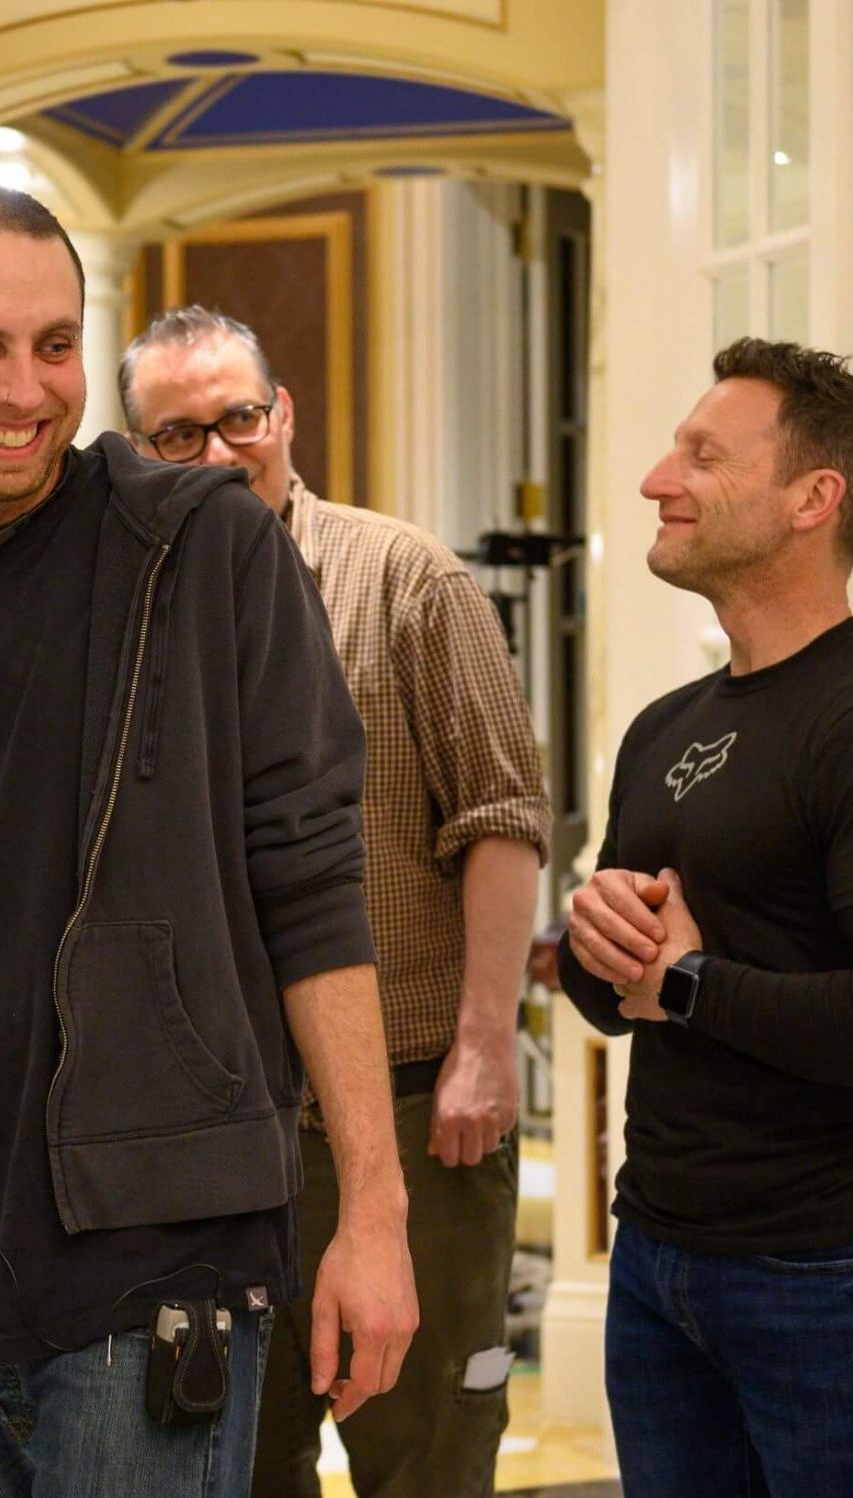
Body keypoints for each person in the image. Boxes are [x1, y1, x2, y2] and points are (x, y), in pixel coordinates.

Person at [0, 182, 420, 1497]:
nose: (26, 389)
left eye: (55, 345)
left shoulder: (201, 548)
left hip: (162, 1257)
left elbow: (312, 881)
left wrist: (373, 1214)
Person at [121, 306, 551, 1498]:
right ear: (135, 449)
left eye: (237, 419)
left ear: (283, 415)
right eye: (176, 435)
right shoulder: (128, 616)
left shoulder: (403, 578)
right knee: (233, 1462)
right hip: (214, 1137)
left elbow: (503, 815)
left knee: (430, 1451)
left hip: (412, 1110)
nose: (216, 453)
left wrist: (484, 1049)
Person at [559, 338, 853, 1498]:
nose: (656, 479)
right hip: (657, 1264)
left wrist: (688, 983)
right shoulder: (662, 727)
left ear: (811, 498)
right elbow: (615, 996)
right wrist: (598, 938)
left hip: (838, 1279)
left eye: (702, 456)